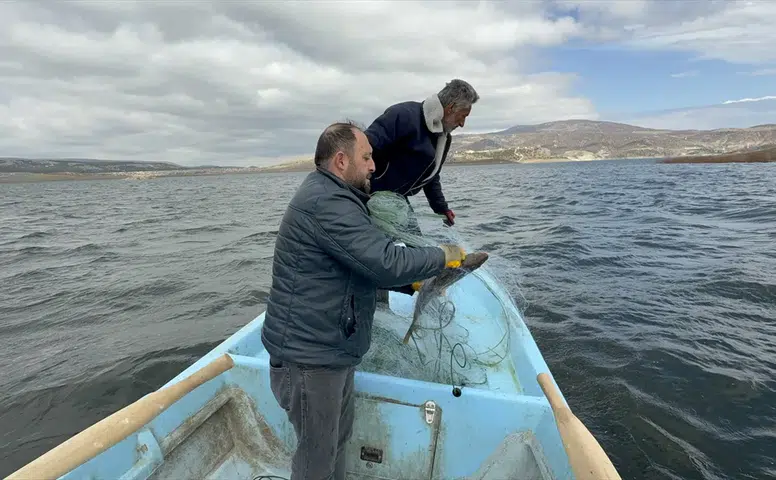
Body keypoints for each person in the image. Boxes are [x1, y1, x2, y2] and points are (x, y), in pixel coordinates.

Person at [260, 121, 467, 479]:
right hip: (309, 358)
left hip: (329, 350)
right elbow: (384, 261)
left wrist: (412, 285)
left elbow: (359, 265)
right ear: (341, 160)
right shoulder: (327, 202)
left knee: (336, 441)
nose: (374, 166)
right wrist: (442, 255)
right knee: (316, 459)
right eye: (367, 157)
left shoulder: (338, 199)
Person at [364, 78, 479, 229]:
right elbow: (364, 147)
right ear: (450, 108)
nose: (462, 124)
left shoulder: (443, 138)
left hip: (397, 199)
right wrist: (363, 190)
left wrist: (441, 208)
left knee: (414, 244)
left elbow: (431, 176)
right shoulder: (403, 115)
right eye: (463, 116)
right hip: (369, 195)